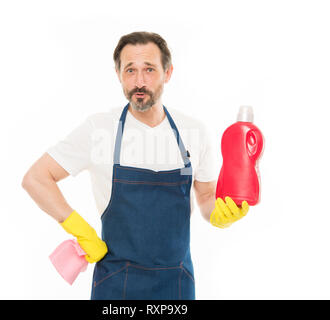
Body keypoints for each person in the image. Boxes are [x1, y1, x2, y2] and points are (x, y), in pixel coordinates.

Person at [22, 31, 249, 300]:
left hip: (176, 283)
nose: (139, 82)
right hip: (116, 283)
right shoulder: (99, 129)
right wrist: (80, 229)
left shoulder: (194, 132)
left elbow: (207, 196)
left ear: (168, 73)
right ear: (118, 74)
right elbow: (36, 178)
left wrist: (219, 215)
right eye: (130, 70)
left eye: (149, 70)